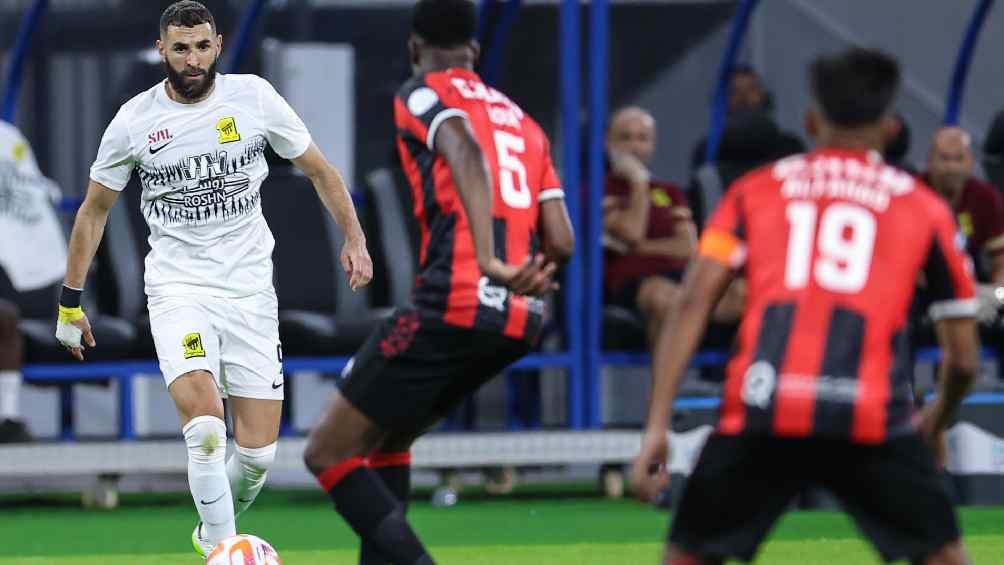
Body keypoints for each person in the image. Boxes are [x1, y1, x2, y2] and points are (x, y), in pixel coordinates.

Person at [632, 47, 978, 565]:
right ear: (889, 129)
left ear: (812, 121)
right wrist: (935, 420)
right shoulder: (924, 207)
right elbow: (964, 360)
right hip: (870, 411)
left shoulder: (753, 192)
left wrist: (656, 424)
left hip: (764, 405)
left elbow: (692, 303)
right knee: (945, 556)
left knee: (687, 555)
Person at [54, 1, 372, 557]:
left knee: (257, 458)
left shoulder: (254, 99)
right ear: (162, 50)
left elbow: (320, 171)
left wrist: (355, 238)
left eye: (202, 46)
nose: (193, 59)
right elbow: (93, 211)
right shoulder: (134, 121)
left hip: (250, 292)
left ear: (218, 45)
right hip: (179, 290)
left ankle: (211, 534)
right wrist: (69, 304)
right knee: (204, 428)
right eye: (181, 49)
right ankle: (225, 550)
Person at [302, 1, 574, 563]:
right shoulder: (523, 121)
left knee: (327, 452)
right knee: (388, 437)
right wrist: (521, 274)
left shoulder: (422, 93)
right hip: (520, 317)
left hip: (455, 300)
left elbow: (463, 147)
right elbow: (563, 239)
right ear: (475, 50)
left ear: (414, 47)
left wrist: (491, 260)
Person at [603, 107, 698, 343]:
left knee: (740, 294)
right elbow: (632, 232)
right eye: (625, 138)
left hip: (680, 278)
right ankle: (667, 371)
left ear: (652, 144)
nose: (634, 147)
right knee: (666, 297)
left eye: (642, 138)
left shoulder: (671, 192)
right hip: (630, 285)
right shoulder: (598, 188)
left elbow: (688, 247)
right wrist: (638, 183)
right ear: (609, 143)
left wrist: (636, 248)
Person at [0, 121, 68, 443]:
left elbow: (38, 188)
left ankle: (7, 418)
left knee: (5, 317)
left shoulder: (9, 137)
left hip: (20, 291)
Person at [923, 127, 1004, 323]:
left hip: (972, 290)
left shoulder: (985, 197)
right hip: (923, 289)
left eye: (959, 159)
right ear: (930, 160)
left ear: (970, 162)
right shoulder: (914, 192)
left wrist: (997, 292)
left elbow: (1001, 258)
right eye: (944, 158)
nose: (952, 167)